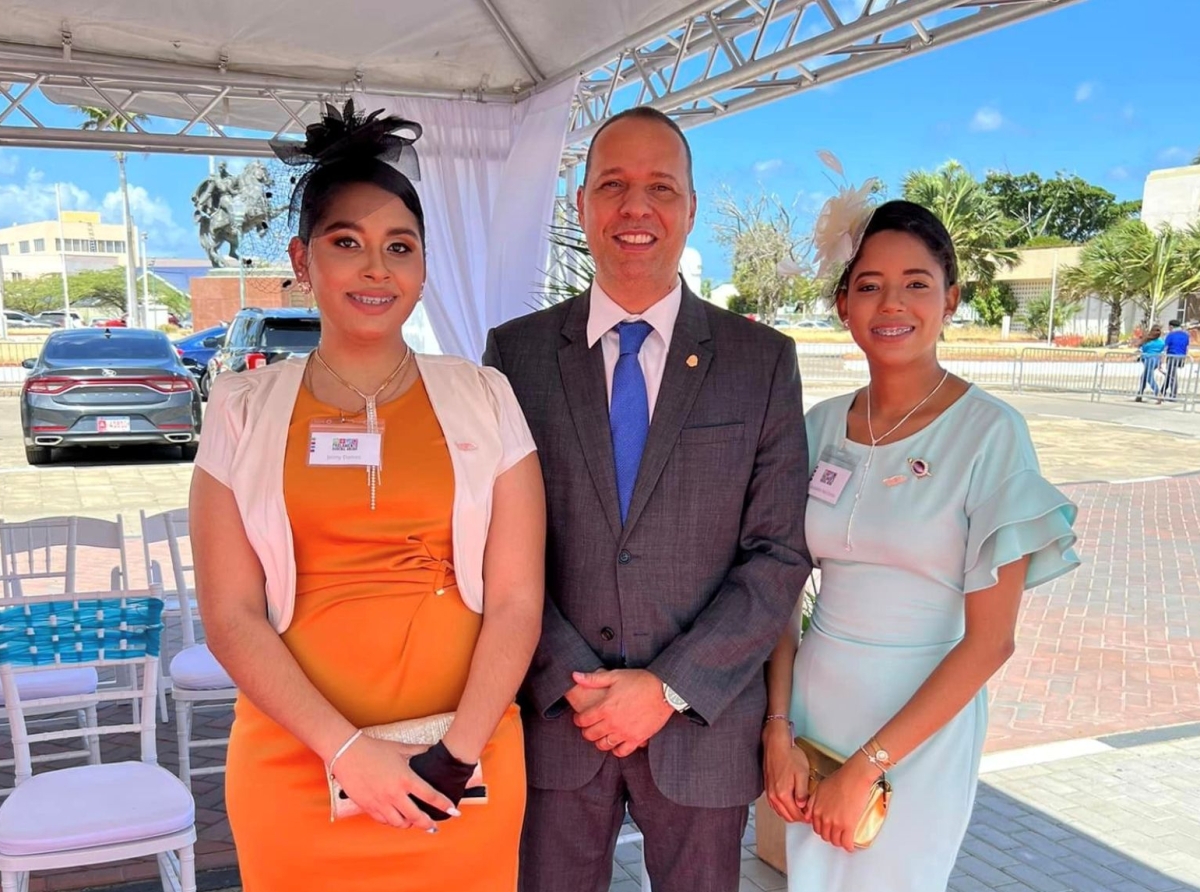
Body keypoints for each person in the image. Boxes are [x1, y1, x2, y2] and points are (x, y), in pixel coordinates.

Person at [189, 102, 545, 892]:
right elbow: (230, 615)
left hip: (463, 768)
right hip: (294, 771)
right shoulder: (242, 409)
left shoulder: (485, 397)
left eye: (399, 248)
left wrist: (456, 753)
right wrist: (350, 753)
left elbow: (519, 600)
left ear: (423, 269)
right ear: (303, 259)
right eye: (346, 242)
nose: (376, 269)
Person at [484, 107, 812, 892]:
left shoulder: (761, 361)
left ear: (691, 208)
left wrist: (667, 688)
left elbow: (777, 553)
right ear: (582, 205)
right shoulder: (514, 355)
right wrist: (572, 680)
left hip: (701, 725)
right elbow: (493, 539)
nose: (637, 208)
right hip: (558, 718)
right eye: (614, 186)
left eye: (660, 187)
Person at [763, 200, 1080, 892]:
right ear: (844, 303)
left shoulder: (990, 435)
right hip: (814, 716)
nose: (891, 303)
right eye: (869, 284)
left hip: (918, 731)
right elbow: (779, 591)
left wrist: (868, 766)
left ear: (951, 298)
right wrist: (777, 730)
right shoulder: (818, 425)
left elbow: (990, 642)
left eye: (916, 282)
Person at [1135, 325, 1165, 403]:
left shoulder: (1148, 341)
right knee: (1143, 377)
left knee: (1148, 377)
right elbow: (1162, 352)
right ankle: (1139, 395)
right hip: (1156, 360)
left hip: (1148, 359)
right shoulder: (1161, 342)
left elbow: (1142, 349)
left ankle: (1157, 393)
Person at [1163, 319, 1190, 402]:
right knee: (1170, 375)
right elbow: (1187, 347)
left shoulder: (1170, 335)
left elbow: (1165, 347)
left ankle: (1173, 395)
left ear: (1171, 326)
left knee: (1172, 376)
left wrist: (1162, 357)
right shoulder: (1186, 335)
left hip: (1172, 356)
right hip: (1181, 357)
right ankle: (1162, 392)